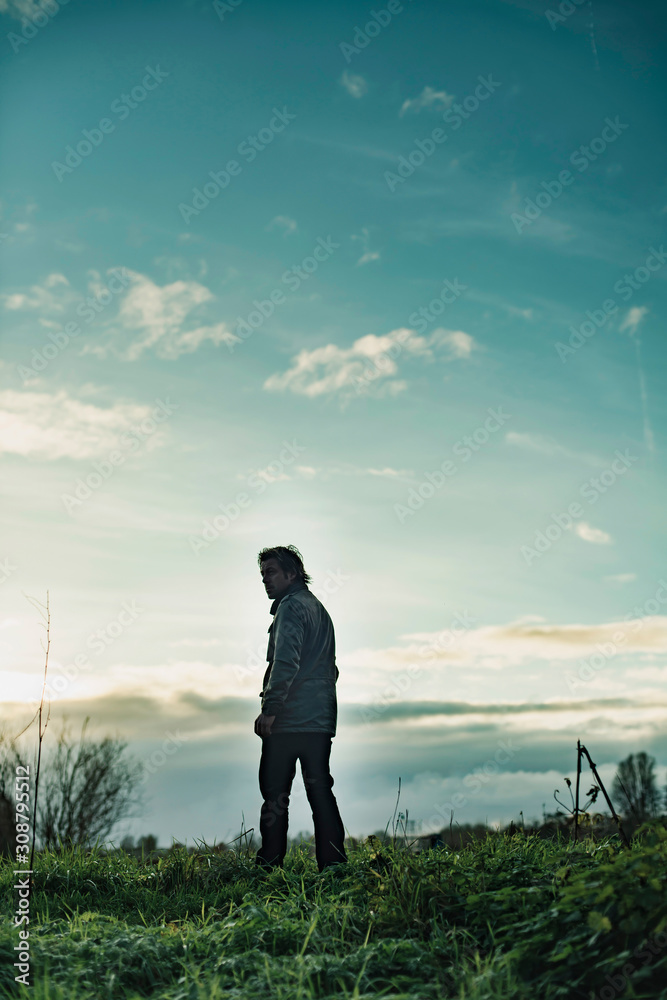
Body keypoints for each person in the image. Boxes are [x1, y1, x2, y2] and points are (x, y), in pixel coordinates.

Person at [253, 544, 347, 872]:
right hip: (320, 722)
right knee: (321, 792)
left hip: (290, 721)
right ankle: (334, 866)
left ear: (291, 573)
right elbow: (330, 669)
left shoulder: (291, 608)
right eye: (262, 574)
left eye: (271, 573)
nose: (265, 580)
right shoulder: (319, 610)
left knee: (276, 796)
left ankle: (269, 867)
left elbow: (285, 662)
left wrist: (271, 708)